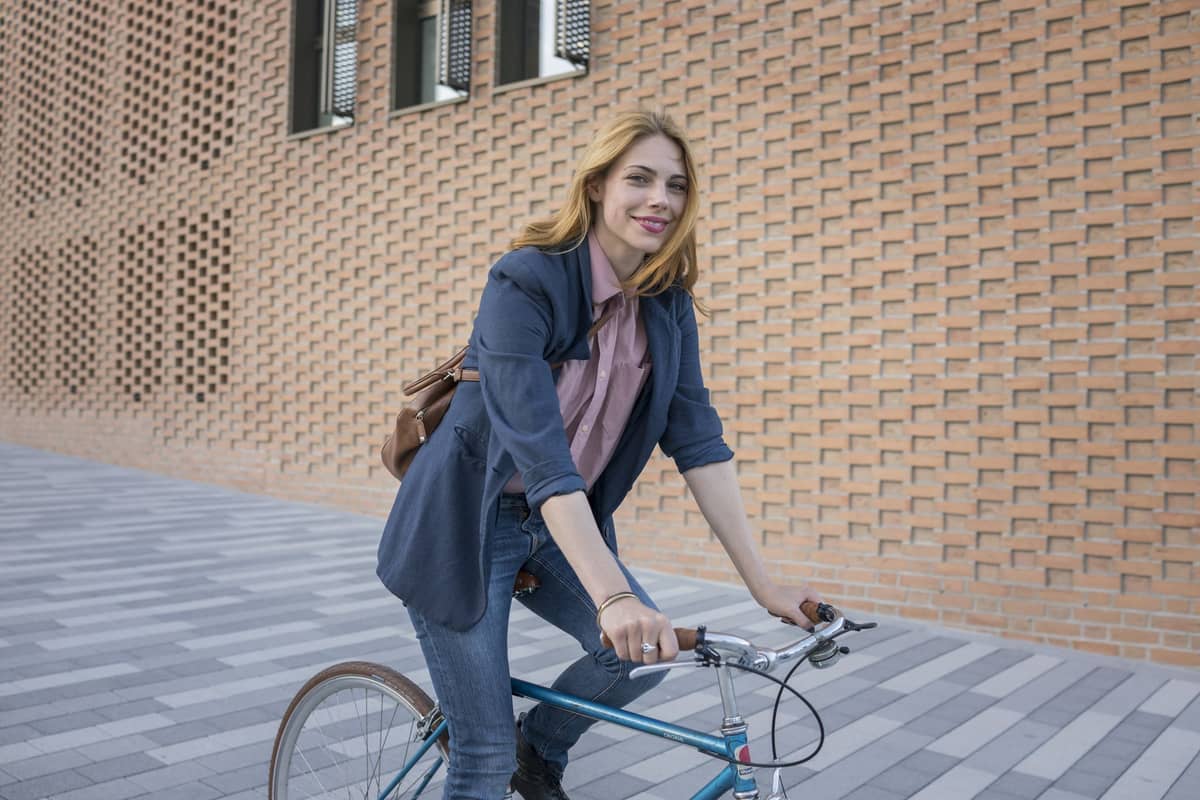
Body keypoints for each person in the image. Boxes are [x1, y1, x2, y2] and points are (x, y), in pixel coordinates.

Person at [377, 109, 822, 800]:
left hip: (557, 524)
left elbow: (700, 443)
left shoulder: (666, 303)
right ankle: (503, 750)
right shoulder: (524, 282)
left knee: (644, 657)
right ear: (595, 187)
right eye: (639, 179)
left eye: (675, 185)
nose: (660, 200)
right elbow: (542, 449)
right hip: (466, 525)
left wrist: (763, 586)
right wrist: (611, 593)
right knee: (483, 751)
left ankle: (542, 748)